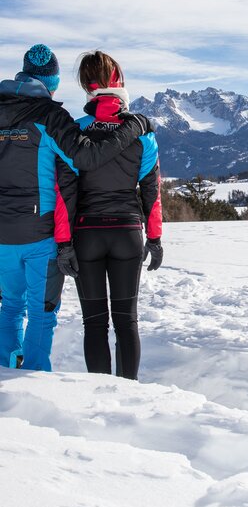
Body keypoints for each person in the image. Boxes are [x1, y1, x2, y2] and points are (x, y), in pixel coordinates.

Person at [0, 44, 150, 372]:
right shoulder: (50, 116)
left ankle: (6, 373)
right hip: (40, 234)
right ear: (51, 83)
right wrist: (132, 127)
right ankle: (30, 382)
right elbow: (87, 158)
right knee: (41, 312)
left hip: (1, 235)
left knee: (10, 307)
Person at [73, 51, 163, 380]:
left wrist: (63, 242)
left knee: (94, 323)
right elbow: (152, 193)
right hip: (127, 232)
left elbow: (64, 190)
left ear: (87, 86)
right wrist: (154, 238)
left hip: (86, 234)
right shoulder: (143, 134)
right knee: (127, 321)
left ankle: (98, 397)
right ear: (118, 82)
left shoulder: (75, 131)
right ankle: (128, 395)